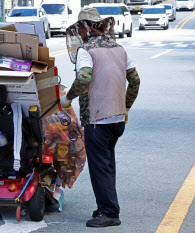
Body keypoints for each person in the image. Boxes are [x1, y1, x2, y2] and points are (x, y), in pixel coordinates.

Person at [60, 8, 140, 228]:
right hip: (117, 119)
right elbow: (135, 81)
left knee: (100, 166)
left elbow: (84, 77)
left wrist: (68, 97)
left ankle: (109, 212)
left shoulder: (86, 50)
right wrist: (126, 107)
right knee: (107, 164)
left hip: (97, 119)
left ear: (85, 28)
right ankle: (106, 205)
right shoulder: (120, 48)